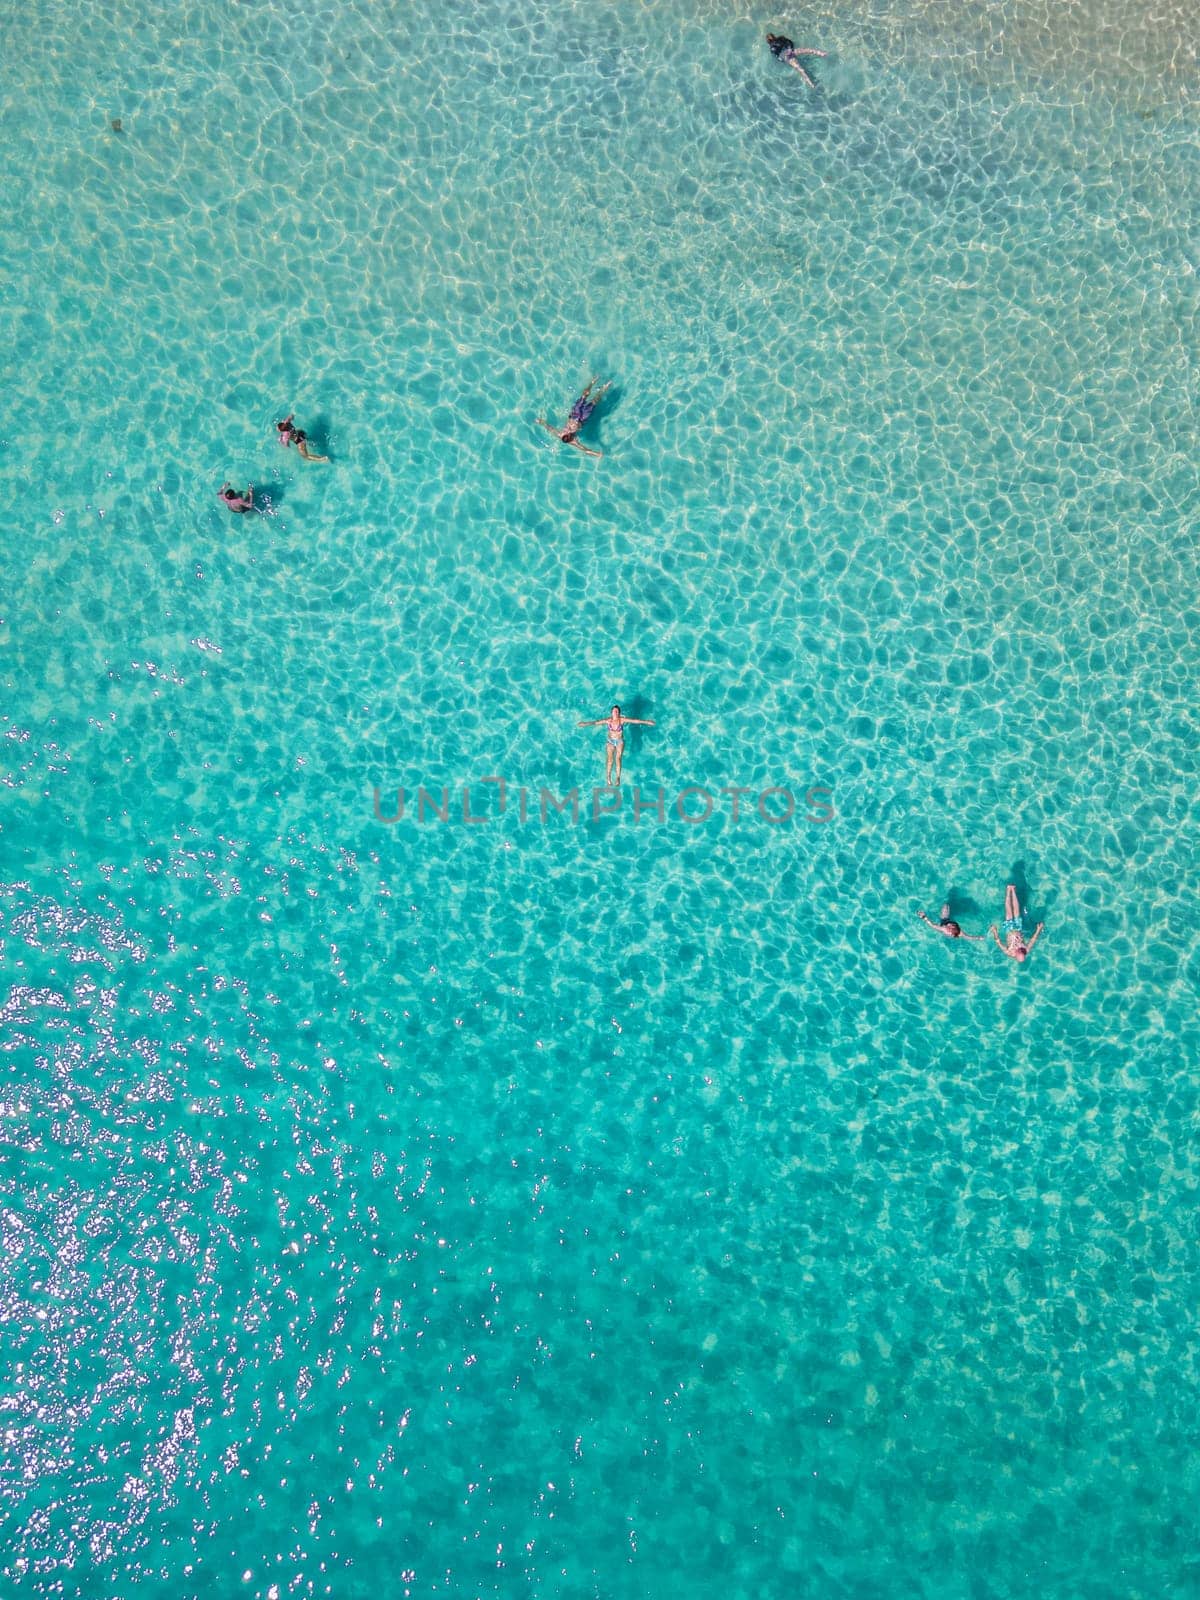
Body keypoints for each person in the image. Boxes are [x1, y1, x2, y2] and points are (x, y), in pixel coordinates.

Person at [576, 704, 655, 786]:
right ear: (611, 712)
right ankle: (608, 777)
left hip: (619, 741)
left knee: (618, 759)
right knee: (610, 760)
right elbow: (596, 722)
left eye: (617, 711)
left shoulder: (622, 720)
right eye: (614, 711)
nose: (616, 712)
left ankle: (617, 777)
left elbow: (635, 721)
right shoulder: (608, 721)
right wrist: (585, 724)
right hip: (610, 741)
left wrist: (647, 722)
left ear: (619, 713)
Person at [537, 378, 612, 458]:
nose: (569, 432)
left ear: (565, 434)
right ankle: (604, 388)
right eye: (570, 435)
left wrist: (541, 422)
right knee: (594, 401)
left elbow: (549, 428)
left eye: (567, 433)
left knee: (584, 396)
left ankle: (591, 383)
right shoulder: (573, 442)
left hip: (574, 415)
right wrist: (597, 454)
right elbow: (585, 450)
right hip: (582, 419)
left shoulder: (560, 434)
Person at [990, 885, 1045, 963]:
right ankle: (1012, 889)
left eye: (1019, 951)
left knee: (1008, 910)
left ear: (1016, 954)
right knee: (1016, 910)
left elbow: (998, 942)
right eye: (1022, 951)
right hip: (1018, 928)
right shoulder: (1026, 950)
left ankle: (1008, 890)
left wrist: (994, 931)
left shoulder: (1009, 952)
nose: (1020, 949)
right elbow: (1033, 940)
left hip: (1009, 930)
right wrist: (1038, 930)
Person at [918, 903, 983, 941]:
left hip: (943, 921)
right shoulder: (958, 930)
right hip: (946, 920)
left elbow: (932, 925)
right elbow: (969, 937)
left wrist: (924, 917)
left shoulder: (944, 929)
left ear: (950, 931)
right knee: (946, 905)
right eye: (952, 925)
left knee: (942, 917)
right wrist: (979, 938)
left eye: (949, 926)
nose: (949, 924)